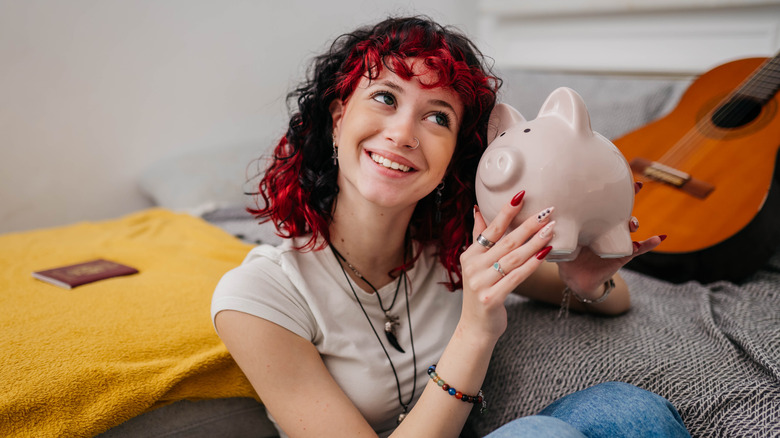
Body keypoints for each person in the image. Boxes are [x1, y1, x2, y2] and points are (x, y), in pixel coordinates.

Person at [211, 16, 690, 438]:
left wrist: (582, 279)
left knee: (629, 408)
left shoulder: (456, 249)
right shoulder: (259, 296)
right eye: (384, 97)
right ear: (338, 120)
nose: (402, 134)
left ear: (453, 157)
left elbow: (616, 298)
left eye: (437, 117)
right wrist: (475, 331)